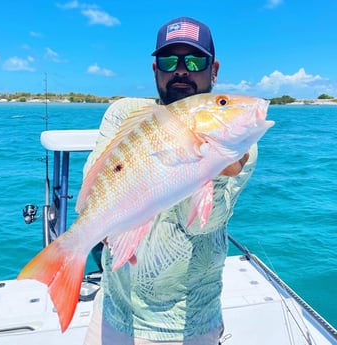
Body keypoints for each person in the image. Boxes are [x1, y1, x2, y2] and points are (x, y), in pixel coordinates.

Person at [83, 16, 258, 345]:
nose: (181, 70)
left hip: (189, 326)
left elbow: (202, 225)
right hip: (113, 314)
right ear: (155, 70)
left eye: (194, 61)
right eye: (169, 60)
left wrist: (214, 171)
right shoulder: (123, 114)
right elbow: (97, 186)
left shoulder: (239, 142)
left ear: (214, 70)